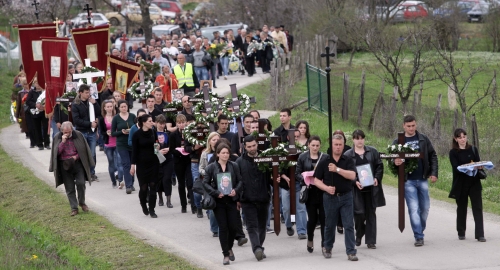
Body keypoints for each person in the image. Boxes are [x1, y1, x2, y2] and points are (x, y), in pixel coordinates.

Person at [393, 115, 438, 247]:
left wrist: (433, 173)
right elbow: (393, 159)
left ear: (416, 124)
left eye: (413, 125)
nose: (411, 128)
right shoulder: (398, 141)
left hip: (423, 178)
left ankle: (420, 228)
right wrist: (395, 162)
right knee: (414, 209)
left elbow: (433, 155)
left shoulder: (423, 139)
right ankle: (418, 236)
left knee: (424, 208)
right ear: (404, 126)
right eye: (408, 126)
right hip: (408, 181)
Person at [314, 134, 358, 261]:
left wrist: (337, 169)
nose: (338, 147)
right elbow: (316, 180)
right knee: (330, 224)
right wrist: (326, 188)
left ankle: (351, 251)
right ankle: (327, 247)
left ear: (344, 146)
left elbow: (352, 175)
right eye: (336, 144)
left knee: (349, 224)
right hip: (330, 197)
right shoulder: (324, 161)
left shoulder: (348, 160)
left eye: (340, 145)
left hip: (346, 197)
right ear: (331, 145)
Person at [344, 129, 385, 249]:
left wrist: (377, 177)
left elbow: (379, 166)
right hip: (356, 190)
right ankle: (359, 233)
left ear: (364, 139)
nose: (359, 141)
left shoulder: (372, 151)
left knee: (371, 214)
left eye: (361, 138)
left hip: (372, 189)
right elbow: (346, 173)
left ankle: (371, 241)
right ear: (353, 140)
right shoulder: (348, 155)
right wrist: (354, 181)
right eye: (357, 138)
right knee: (359, 214)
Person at [203, 143, 243, 265]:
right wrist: (215, 192)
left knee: (233, 227)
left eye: (227, 153)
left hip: (231, 200)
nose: (225, 155)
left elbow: (240, 181)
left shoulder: (234, 166)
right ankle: (225, 254)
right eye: (223, 153)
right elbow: (205, 183)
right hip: (219, 202)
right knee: (223, 227)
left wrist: (235, 190)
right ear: (218, 154)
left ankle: (229, 246)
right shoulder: (211, 167)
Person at [236, 135, 273, 261]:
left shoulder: (265, 158)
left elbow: (271, 177)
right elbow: (237, 182)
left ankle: (260, 247)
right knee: (251, 226)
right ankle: (257, 248)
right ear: (245, 147)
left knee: (262, 226)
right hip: (247, 199)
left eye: (254, 145)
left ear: (257, 144)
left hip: (263, 198)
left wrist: (277, 180)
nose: (252, 148)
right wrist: (237, 199)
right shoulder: (239, 163)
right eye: (249, 146)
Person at [49, 121, 95, 216]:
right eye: (65, 132)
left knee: (81, 183)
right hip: (64, 165)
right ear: (62, 131)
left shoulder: (78, 135)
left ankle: (82, 202)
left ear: (72, 129)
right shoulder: (57, 137)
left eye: (69, 131)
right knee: (69, 188)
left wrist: (75, 157)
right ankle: (74, 208)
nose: (67, 133)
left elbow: (83, 150)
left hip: (77, 163)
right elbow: (56, 153)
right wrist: (63, 142)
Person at [448, 128, 486, 242]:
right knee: (462, 208)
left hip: (474, 182)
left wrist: (480, 166)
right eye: (460, 137)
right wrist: (468, 167)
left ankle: (480, 234)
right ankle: (461, 231)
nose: (463, 139)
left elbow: (478, 162)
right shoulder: (453, 152)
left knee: (477, 207)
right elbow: (456, 168)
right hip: (461, 183)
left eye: (464, 137)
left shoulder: (473, 149)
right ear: (456, 139)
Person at [296, 136, 329, 253]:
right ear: (308, 145)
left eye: (317, 145)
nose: (315, 148)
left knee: (324, 218)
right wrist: (305, 178)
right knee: (312, 219)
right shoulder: (302, 157)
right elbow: (297, 173)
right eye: (313, 145)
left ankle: (325, 244)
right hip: (310, 191)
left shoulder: (325, 157)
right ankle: (310, 238)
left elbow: (328, 173)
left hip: (322, 191)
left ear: (320, 146)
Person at [130, 114, 160, 218]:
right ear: (144, 122)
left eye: (152, 121)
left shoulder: (153, 132)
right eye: (150, 121)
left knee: (153, 185)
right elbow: (134, 151)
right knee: (143, 187)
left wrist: (158, 147)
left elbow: (156, 145)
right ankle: (143, 204)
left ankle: (152, 209)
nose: (152, 123)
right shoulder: (136, 135)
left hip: (153, 162)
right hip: (141, 164)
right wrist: (132, 165)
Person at [72, 84, 101, 181]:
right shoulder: (76, 104)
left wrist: (95, 103)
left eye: (89, 92)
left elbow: (99, 113)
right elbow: (76, 120)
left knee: (92, 153)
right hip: (82, 132)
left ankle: (92, 172)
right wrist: (89, 124)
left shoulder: (91, 102)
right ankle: (84, 173)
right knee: (83, 153)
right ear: (80, 93)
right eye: (86, 93)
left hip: (91, 132)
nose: (88, 94)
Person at [169, 114, 194, 213]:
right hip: (178, 161)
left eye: (183, 122)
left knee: (190, 183)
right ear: (176, 124)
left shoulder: (190, 133)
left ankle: (193, 205)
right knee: (181, 183)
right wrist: (180, 151)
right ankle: (183, 205)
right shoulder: (173, 135)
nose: (182, 125)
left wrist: (187, 150)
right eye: (179, 123)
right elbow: (171, 149)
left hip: (188, 160)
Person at [111, 100, 137, 194]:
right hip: (122, 144)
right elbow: (113, 133)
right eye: (121, 107)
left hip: (132, 143)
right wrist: (121, 132)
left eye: (125, 106)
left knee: (132, 163)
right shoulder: (116, 118)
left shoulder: (133, 116)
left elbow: (137, 127)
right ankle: (128, 185)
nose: (123, 108)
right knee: (126, 164)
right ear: (118, 108)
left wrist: (132, 131)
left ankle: (132, 182)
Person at [200, 132, 221, 236]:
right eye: (214, 140)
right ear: (209, 141)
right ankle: (215, 229)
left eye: (218, 140)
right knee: (213, 206)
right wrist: (207, 174)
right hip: (210, 182)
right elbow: (201, 168)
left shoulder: (223, 152)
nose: (216, 142)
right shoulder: (205, 154)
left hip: (222, 181)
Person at [99, 99, 124, 189]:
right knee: (111, 163)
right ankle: (113, 181)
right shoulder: (102, 119)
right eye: (108, 107)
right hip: (108, 144)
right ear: (104, 108)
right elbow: (101, 131)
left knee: (120, 162)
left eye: (111, 106)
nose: (110, 108)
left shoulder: (117, 117)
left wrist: (116, 132)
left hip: (118, 142)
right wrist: (106, 133)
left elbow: (121, 127)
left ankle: (120, 180)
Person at [155, 115, 174, 208]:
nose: (162, 126)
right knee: (159, 179)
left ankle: (168, 200)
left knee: (167, 179)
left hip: (168, 159)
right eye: (160, 124)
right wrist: (158, 151)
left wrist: (169, 148)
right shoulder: (153, 134)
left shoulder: (168, 134)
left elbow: (173, 145)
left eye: (163, 124)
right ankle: (160, 198)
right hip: (157, 159)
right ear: (156, 123)